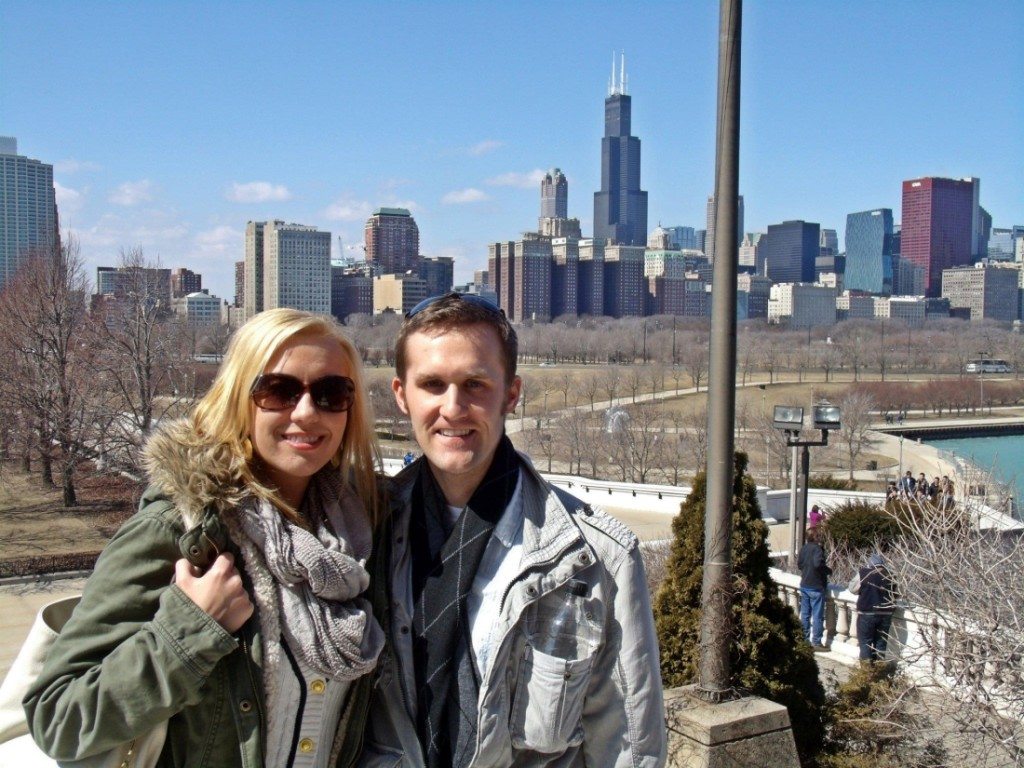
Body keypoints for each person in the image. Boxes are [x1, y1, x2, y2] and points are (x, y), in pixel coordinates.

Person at [24, 309, 386, 767]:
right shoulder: (181, 531)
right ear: (238, 397)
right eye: (278, 391)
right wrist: (188, 632)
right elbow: (58, 717)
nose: (307, 412)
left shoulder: (360, 531)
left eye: (332, 393)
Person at [362, 293, 666, 767]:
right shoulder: (365, 532)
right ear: (402, 395)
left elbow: (628, 749)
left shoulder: (598, 560)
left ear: (511, 393)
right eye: (433, 384)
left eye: (475, 384)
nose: (453, 407)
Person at [848, 553, 897, 662]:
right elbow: (896, 594)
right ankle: (879, 671)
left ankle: (867, 673)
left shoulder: (864, 573)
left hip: (867, 613)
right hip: (886, 614)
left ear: (870, 564)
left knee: (865, 643)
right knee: (881, 645)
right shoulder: (891, 575)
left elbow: (852, 588)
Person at [798, 526, 831, 650]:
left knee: (805, 614)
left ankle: (804, 640)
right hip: (816, 586)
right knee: (817, 615)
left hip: (805, 584)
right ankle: (816, 642)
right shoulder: (817, 549)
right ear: (816, 537)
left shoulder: (804, 548)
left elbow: (800, 564)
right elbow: (818, 564)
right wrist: (827, 570)